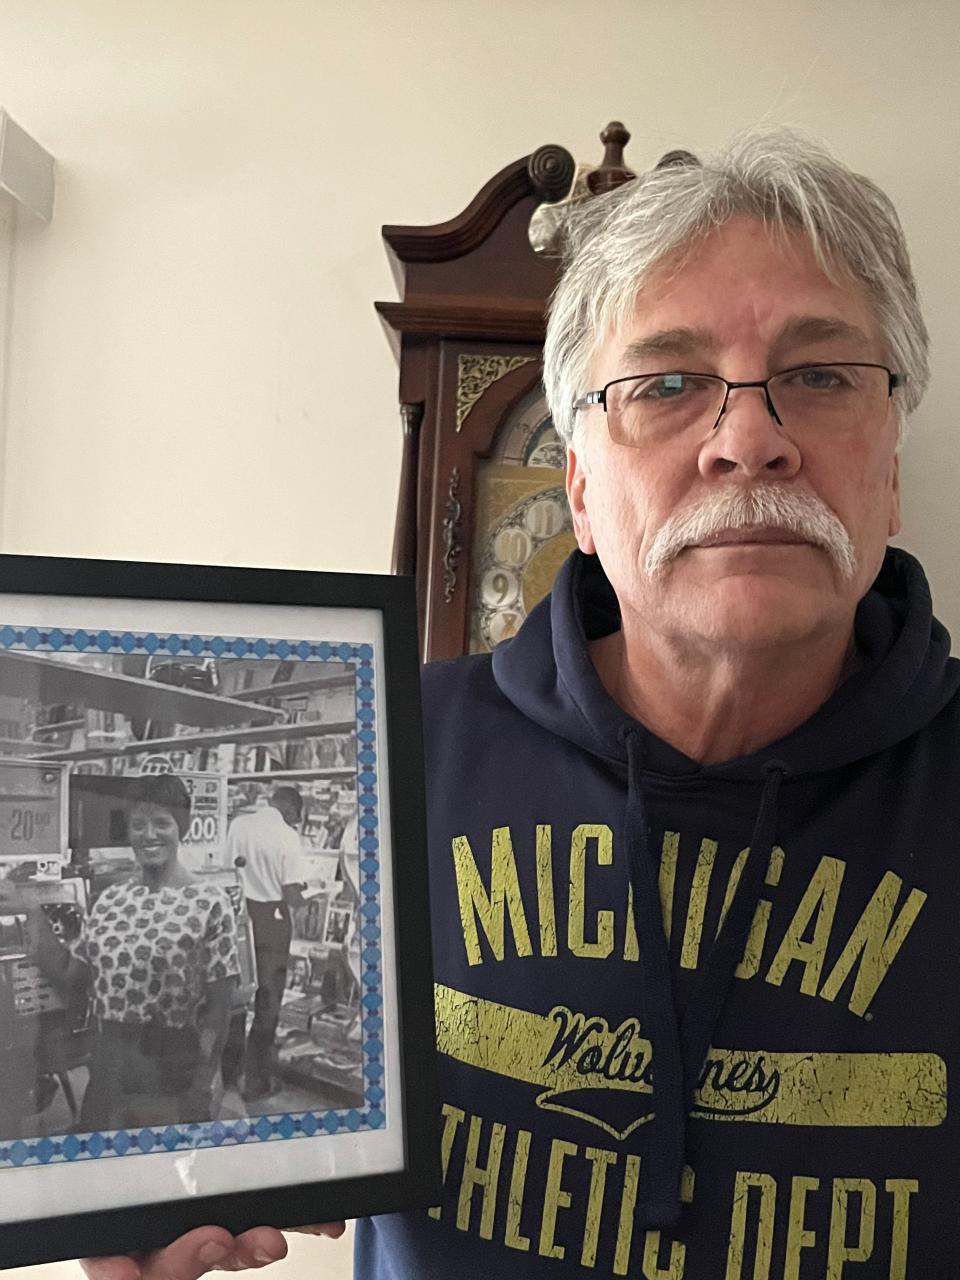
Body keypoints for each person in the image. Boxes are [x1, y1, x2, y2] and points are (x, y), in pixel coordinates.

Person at [82, 128, 960, 1278]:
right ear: (581, 488)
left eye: (820, 376)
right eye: (668, 383)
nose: (750, 439)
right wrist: (147, 1179)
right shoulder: (392, 750)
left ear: (889, 464)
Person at [1, 773, 240, 1131]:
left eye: (162, 823)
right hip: (109, 1066)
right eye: (138, 824)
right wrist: (29, 910)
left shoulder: (210, 902)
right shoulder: (111, 899)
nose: (149, 834)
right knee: (103, 1165)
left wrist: (201, 1086)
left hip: (172, 1068)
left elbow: (219, 1013)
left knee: (160, 1174)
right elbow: (71, 974)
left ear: (182, 828)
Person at [224, 785, 306, 1100]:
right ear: (289, 809)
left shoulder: (239, 824)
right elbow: (292, 896)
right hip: (272, 920)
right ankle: (256, 1082)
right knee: (268, 1001)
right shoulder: (287, 836)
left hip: (239, 916)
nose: (295, 823)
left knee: (237, 998)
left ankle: (228, 1076)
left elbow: (227, 870)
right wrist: (311, 894)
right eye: (296, 817)